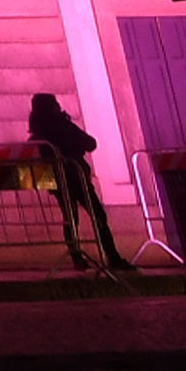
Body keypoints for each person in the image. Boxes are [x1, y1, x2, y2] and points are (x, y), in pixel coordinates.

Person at [27, 90, 128, 272]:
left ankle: (77, 258)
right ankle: (113, 257)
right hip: (76, 177)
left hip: (56, 182)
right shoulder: (62, 125)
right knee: (98, 215)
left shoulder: (37, 133)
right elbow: (90, 143)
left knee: (70, 219)